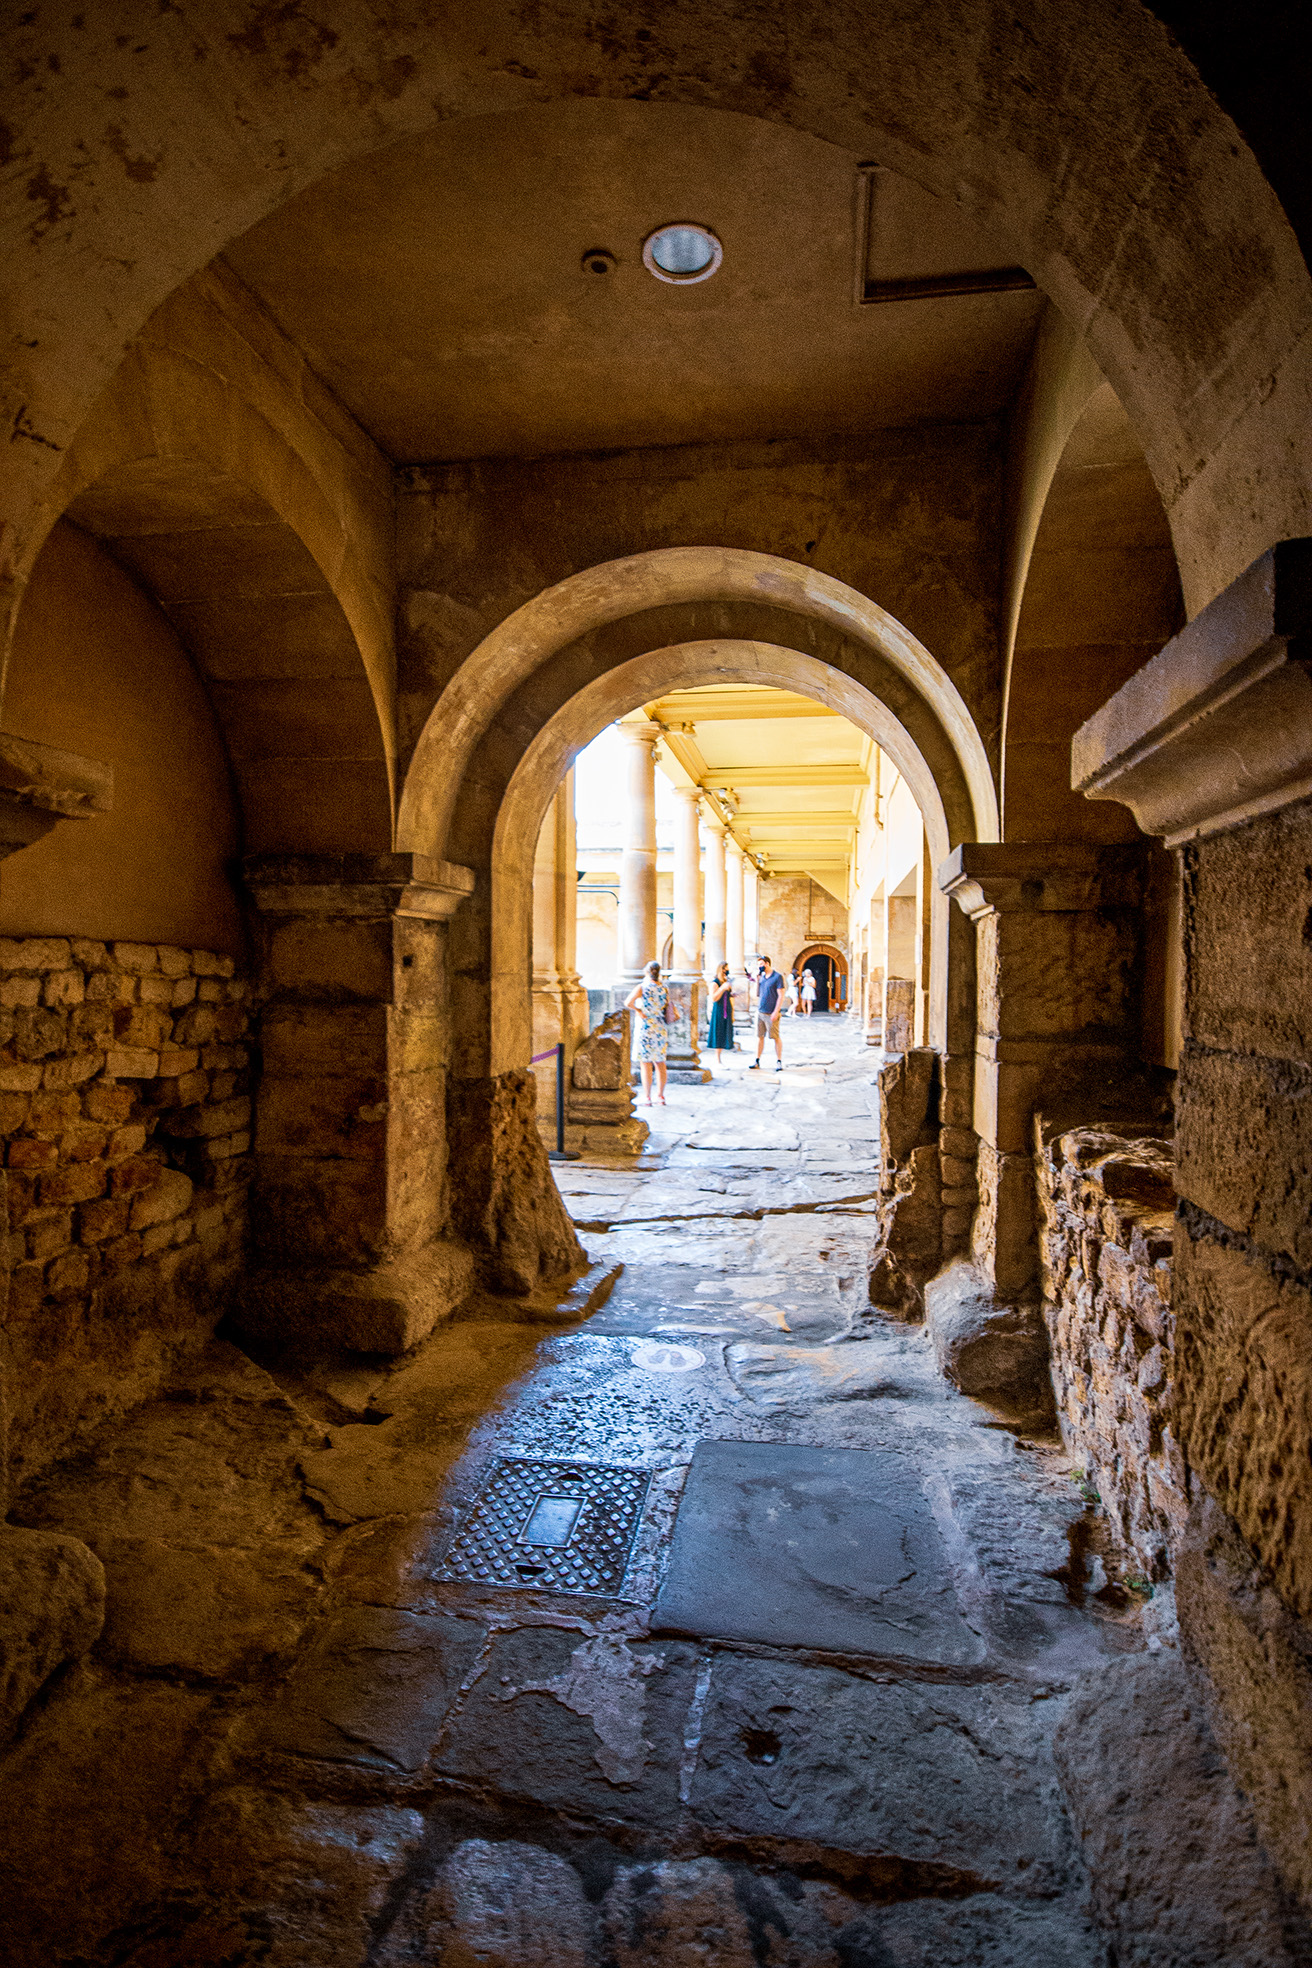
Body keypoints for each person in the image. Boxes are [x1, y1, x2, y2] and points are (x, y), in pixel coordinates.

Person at [624, 959, 670, 1106]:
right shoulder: (664, 988)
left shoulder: (642, 987)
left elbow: (628, 1003)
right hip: (659, 1026)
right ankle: (661, 1096)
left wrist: (639, 1011)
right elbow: (666, 1005)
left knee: (646, 1063)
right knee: (660, 1062)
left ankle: (648, 1097)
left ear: (647, 972)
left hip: (645, 1026)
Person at [748, 953, 785, 1072]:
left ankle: (779, 1061)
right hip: (761, 1011)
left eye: (761, 964)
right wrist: (757, 981)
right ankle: (757, 1060)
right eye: (758, 965)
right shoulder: (762, 977)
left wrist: (776, 1011)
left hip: (771, 1013)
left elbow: (781, 996)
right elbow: (757, 994)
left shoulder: (777, 977)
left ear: (767, 964)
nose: (759, 966)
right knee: (760, 1037)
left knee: (775, 1037)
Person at [706, 959, 734, 1067]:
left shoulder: (725, 981)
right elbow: (714, 998)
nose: (726, 971)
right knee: (718, 1034)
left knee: (724, 1034)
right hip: (719, 1011)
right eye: (725, 969)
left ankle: (720, 1058)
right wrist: (722, 988)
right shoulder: (715, 983)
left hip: (727, 1010)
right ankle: (717, 1060)